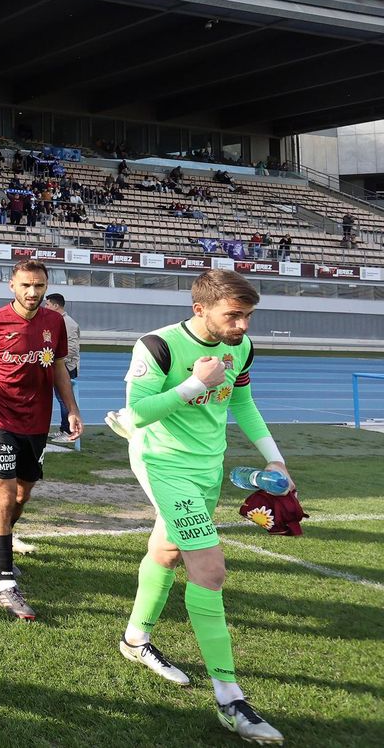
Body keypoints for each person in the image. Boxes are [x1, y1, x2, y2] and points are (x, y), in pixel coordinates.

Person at [107, 270, 288, 744]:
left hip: (208, 464)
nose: (243, 325)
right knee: (209, 571)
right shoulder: (158, 346)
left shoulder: (241, 347)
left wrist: (275, 458)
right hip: (163, 463)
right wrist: (194, 383)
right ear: (200, 309)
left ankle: (134, 640)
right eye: (234, 315)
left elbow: (243, 404)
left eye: (247, 315)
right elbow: (136, 413)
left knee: (165, 552)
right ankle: (231, 700)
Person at [0, 259, 80, 622]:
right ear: (12, 285)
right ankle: (6, 585)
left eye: (39, 286)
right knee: (3, 493)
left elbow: (58, 366)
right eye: (26, 285)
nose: (32, 293)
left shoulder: (54, 323)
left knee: (23, 495)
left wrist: (70, 408)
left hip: (36, 423)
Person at [43, 293, 81, 444]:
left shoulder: (68, 323)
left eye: (48, 304)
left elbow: (71, 347)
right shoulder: (57, 321)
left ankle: (68, 431)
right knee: (60, 399)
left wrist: (58, 361)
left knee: (65, 399)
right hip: (58, 366)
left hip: (66, 367)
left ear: (55, 305)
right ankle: (63, 429)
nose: (45, 307)